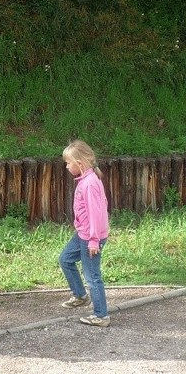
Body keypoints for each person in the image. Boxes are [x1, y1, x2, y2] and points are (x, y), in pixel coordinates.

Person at [59, 140, 110, 327]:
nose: (66, 166)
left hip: (90, 238)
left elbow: (97, 212)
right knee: (65, 259)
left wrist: (95, 240)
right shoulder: (86, 180)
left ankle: (101, 316)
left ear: (79, 163)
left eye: (68, 162)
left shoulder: (89, 184)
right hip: (83, 234)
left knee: (93, 276)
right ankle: (80, 295)